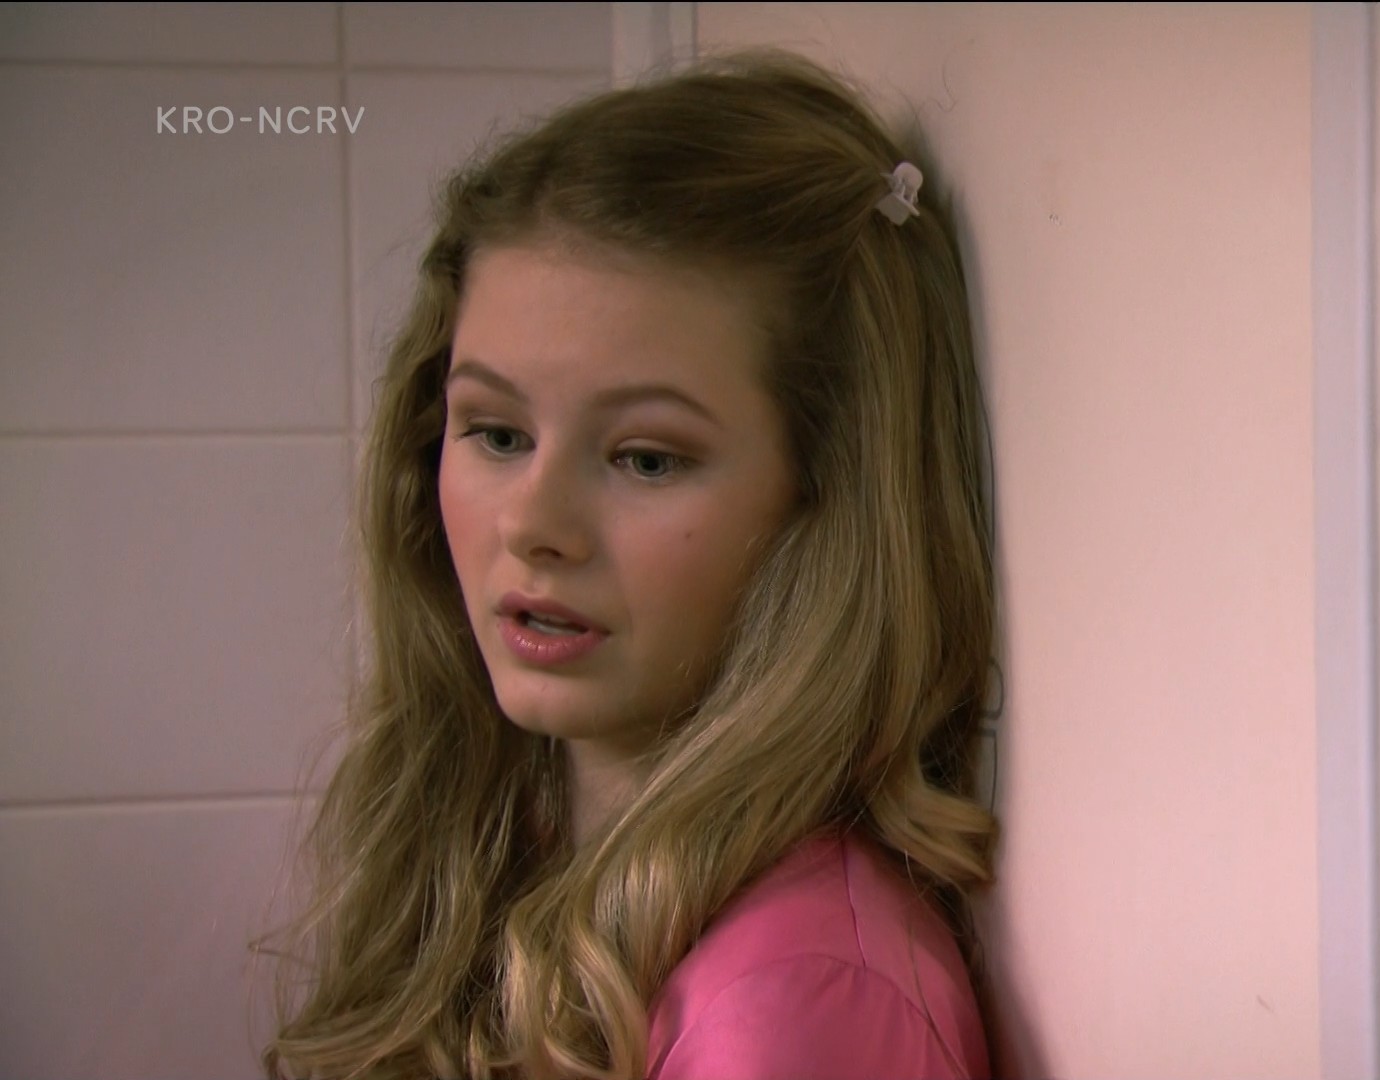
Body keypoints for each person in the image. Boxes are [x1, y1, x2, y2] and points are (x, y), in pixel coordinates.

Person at [258, 49, 1001, 1080]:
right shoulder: (506, 850)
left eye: (645, 458)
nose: (535, 526)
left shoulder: (793, 1004)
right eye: (497, 434)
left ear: (827, 502)